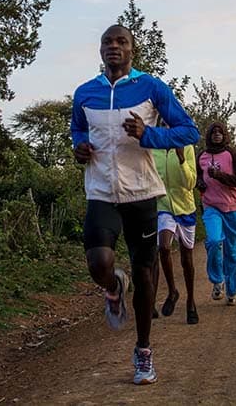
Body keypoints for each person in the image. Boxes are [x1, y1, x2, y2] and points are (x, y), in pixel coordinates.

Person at [71, 24, 200, 385]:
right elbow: (78, 130)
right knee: (99, 262)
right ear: (100, 51)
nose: (114, 47)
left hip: (142, 193)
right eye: (107, 42)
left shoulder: (152, 88)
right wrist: (78, 148)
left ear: (132, 50)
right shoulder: (85, 93)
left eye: (121, 42)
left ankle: (143, 351)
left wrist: (149, 135)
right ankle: (113, 287)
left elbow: (189, 131)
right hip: (100, 191)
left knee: (145, 273)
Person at [196, 122, 236, 305]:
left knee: (231, 252)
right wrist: (200, 183)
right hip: (211, 206)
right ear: (209, 135)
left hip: (232, 208)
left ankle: (232, 290)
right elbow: (196, 178)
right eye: (213, 132)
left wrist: (219, 176)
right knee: (213, 241)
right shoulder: (201, 156)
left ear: (225, 135)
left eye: (220, 132)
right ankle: (217, 280)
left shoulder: (231, 154)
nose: (217, 134)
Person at [152, 140, 200, 325]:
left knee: (187, 259)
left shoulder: (186, 147)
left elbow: (191, 183)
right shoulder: (154, 147)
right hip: (163, 206)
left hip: (185, 208)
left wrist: (181, 158)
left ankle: (190, 301)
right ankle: (172, 291)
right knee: (163, 247)